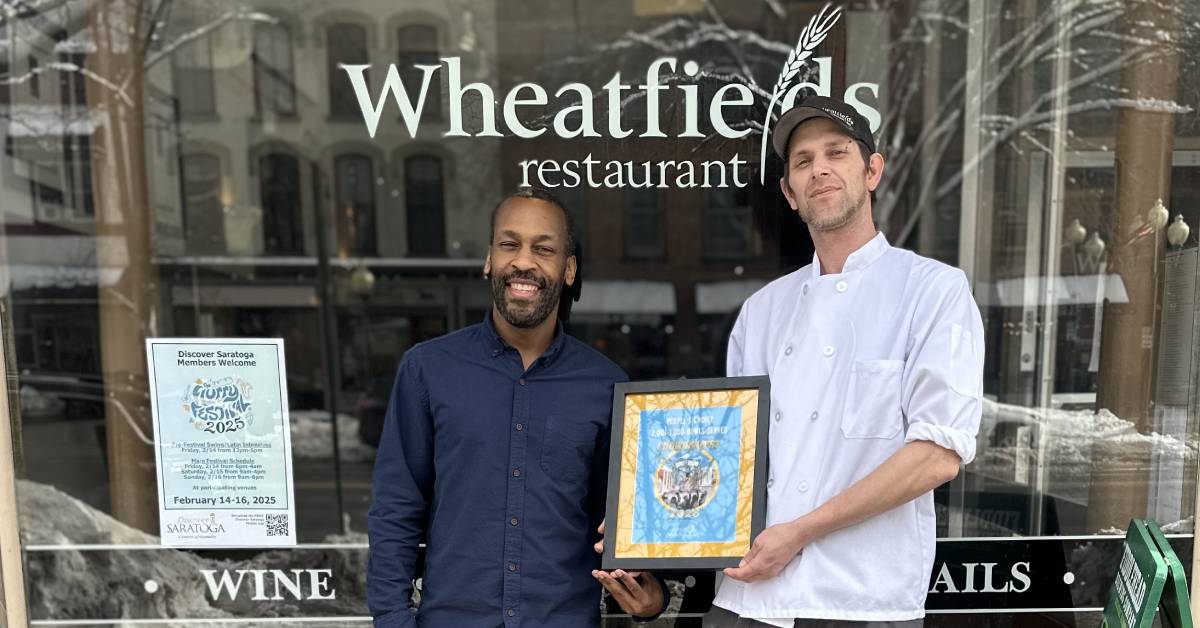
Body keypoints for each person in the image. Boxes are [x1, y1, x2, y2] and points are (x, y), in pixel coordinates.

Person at [704, 96, 985, 628]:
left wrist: (799, 532)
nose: (820, 169)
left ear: (872, 170)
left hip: (861, 599)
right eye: (803, 161)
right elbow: (730, 454)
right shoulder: (761, 311)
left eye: (837, 152)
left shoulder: (932, 291)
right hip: (748, 599)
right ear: (789, 191)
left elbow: (937, 455)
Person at [367, 188, 666, 627]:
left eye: (543, 249)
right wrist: (393, 619)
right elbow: (396, 507)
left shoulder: (607, 385)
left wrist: (649, 594)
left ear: (568, 270)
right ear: (490, 258)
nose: (523, 261)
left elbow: (621, 520)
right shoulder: (428, 369)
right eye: (510, 244)